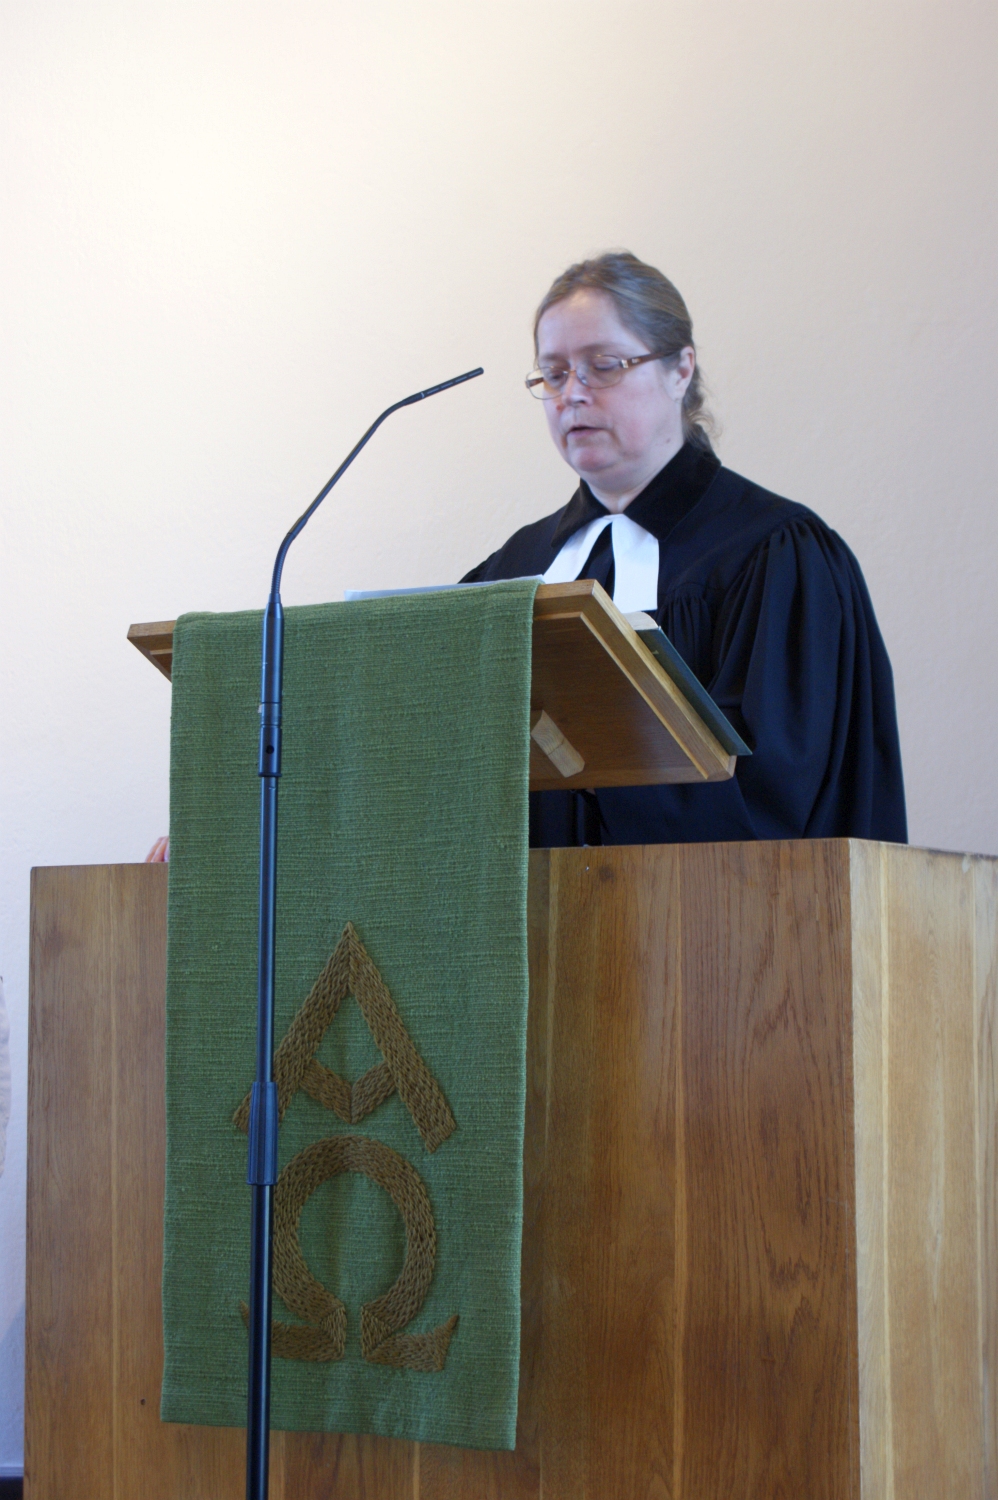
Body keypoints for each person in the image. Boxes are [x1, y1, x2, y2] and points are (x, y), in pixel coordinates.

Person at [462, 251, 907, 848]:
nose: (572, 394)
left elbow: (774, 794)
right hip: (532, 910)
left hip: (717, 904)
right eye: (554, 373)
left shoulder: (774, 553)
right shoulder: (517, 568)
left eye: (603, 365)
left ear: (680, 370)